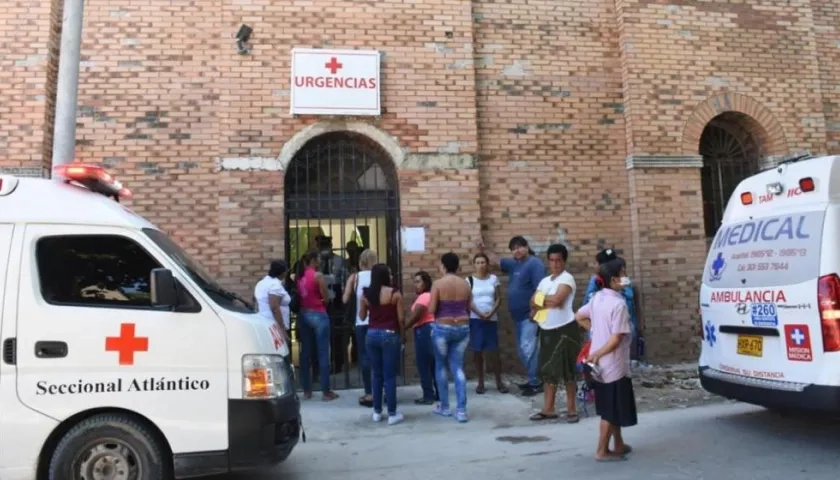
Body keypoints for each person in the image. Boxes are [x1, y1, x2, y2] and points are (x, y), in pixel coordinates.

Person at [574, 258, 638, 462]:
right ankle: (602, 450)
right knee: (610, 410)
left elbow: (578, 316)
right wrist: (599, 352)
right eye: (622, 274)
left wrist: (593, 332)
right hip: (613, 363)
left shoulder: (597, 298)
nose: (625, 278)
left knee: (612, 405)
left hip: (599, 364)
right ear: (613, 279)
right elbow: (616, 337)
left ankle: (618, 444)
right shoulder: (618, 304)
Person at [477, 236, 546, 396]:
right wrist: (483, 249)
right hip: (519, 317)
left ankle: (536, 382)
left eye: (520, 247)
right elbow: (497, 261)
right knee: (524, 349)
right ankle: (533, 380)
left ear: (527, 247)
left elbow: (541, 289)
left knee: (528, 349)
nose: (517, 250)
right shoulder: (515, 264)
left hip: (530, 316)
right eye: (514, 248)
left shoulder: (534, 264)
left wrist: (535, 310)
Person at [529, 244, 579, 423]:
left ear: (564, 261)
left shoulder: (567, 279)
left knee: (568, 370)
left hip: (565, 329)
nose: (555, 264)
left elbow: (558, 300)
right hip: (546, 329)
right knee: (548, 370)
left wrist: (540, 300)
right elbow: (531, 302)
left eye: (558, 260)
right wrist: (542, 301)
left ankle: (572, 409)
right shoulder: (545, 281)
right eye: (552, 260)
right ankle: (548, 409)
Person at [359, 263, 405, 425]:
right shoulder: (395, 294)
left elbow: (362, 316)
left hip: (371, 335)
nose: (392, 276)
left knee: (377, 375)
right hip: (390, 334)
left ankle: (377, 412)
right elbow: (401, 319)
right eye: (390, 273)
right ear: (385, 276)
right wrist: (403, 335)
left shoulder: (366, 294)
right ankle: (392, 413)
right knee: (390, 376)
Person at [428, 252, 472, 423]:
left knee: (440, 366)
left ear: (443, 266)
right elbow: (468, 307)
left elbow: (431, 309)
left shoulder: (438, 284)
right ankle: (461, 410)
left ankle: (445, 407)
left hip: (443, 327)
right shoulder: (466, 285)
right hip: (462, 327)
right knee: (458, 367)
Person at [296, 251, 339, 401]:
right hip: (318, 314)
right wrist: (323, 300)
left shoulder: (299, 275)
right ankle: (326, 391)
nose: (320, 261)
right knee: (322, 353)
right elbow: (325, 297)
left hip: (303, 314)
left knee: (305, 353)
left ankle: (307, 390)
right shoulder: (318, 276)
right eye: (319, 258)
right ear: (313, 260)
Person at [582, 249, 641, 357]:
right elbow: (586, 307)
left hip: (622, 327)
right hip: (608, 328)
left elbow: (631, 303)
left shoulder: (623, 282)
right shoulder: (596, 282)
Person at [467, 253, 508, 394]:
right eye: (477, 262)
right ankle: (480, 383)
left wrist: (491, 313)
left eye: (483, 262)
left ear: (487, 264)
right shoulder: (469, 280)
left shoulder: (493, 279)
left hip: (491, 319)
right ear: (474, 264)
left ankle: (499, 381)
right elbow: (469, 301)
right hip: (475, 319)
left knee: (494, 351)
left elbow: (498, 298)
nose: (480, 265)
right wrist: (479, 313)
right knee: (477, 351)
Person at [342, 249, 379, 407]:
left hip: (361, 322)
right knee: (378, 357)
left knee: (364, 357)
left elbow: (344, 299)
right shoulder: (379, 276)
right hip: (378, 321)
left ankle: (369, 392)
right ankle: (379, 390)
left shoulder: (355, 277)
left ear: (360, 262)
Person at [406, 270, 438, 404]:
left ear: (426, 283)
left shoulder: (424, 296)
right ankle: (439, 393)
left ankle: (428, 396)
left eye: (418, 282)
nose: (415, 284)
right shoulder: (431, 295)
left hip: (424, 330)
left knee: (423, 364)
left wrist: (403, 328)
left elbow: (416, 316)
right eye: (415, 281)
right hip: (431, 329)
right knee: (433, 364)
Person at [254, 259, 292, 345]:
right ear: (283, 272)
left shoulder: (262, 283)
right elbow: (274, 307)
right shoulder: (275, 285)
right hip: (274, 326)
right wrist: (282, 329)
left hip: (264, 322)